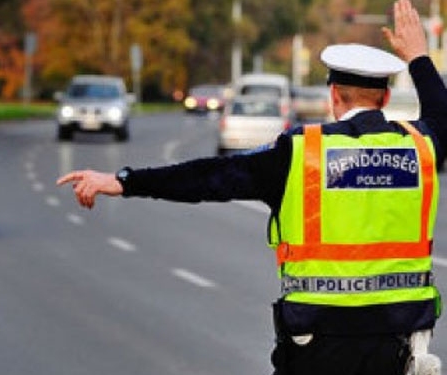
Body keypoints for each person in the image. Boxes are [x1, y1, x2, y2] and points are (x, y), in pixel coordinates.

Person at [57, 1, 446, 374]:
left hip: (316, 342)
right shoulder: (422, 149)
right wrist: (418, 57)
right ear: (386, 97)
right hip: (397, 342)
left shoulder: (300, 152)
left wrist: (123, 181)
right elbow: (441, 115)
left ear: (332, 96)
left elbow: (209, 178)